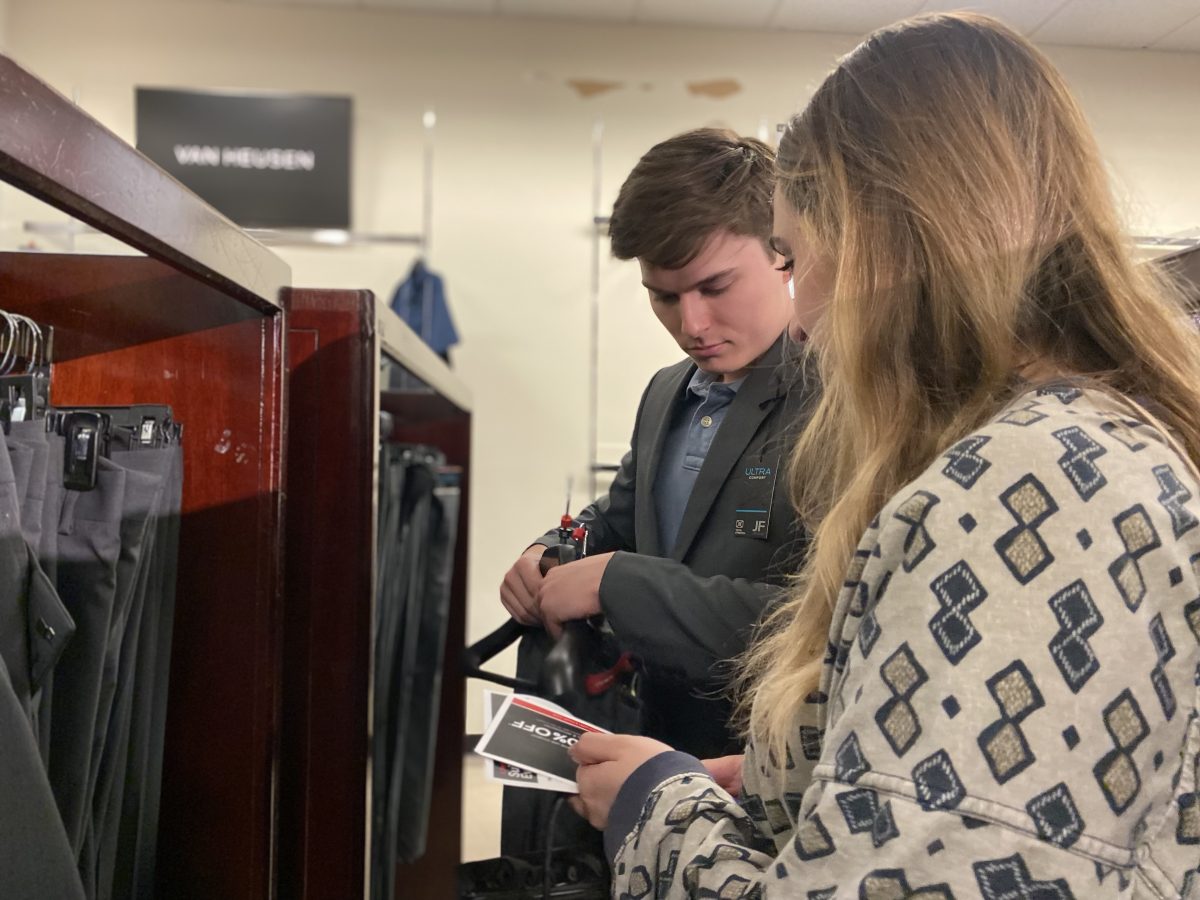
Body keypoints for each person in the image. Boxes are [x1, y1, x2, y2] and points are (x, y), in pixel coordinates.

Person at [570, 13, 1200, 897]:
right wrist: (805, 785)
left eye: (795, 259)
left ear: (890, 243)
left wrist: (656, 808)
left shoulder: (1031, 488)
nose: (800, 318)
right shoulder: (1067, 454)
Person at [498, 128, 815, 854]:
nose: (691, 325)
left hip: (760, 790)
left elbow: (815, 628)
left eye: (714, 288)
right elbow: (618, 520)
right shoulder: (666, 393)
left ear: (781, 251)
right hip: (645, 764)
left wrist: (618, 584)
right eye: (663, 297)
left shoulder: (843, 404)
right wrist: (554, 552)